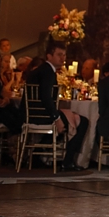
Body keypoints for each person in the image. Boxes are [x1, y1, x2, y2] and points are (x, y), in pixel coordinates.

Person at [23, 41, 89, 171]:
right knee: (82, 121)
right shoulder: (47, 71)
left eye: (64, 55)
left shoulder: (43, 69)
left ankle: (35, 156)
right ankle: (68, 161)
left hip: (33, 113)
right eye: (59, 54)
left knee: (71, 117)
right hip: (40, 115)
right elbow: (46, 97)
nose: (62, 58)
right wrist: (56, 118)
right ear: (49, 56)